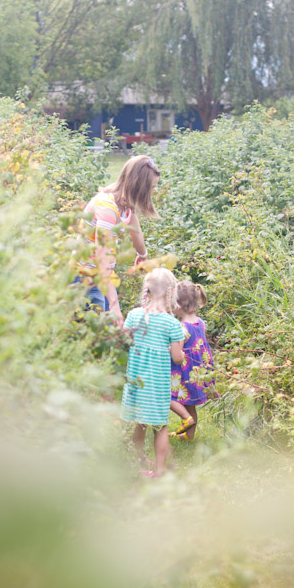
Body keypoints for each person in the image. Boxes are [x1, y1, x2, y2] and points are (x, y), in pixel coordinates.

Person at [77, 155, 160, 325]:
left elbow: (135, 231)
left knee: (109, 329)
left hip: (102, 274)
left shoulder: (125, 201)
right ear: (139, 186)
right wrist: (114, 306)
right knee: (100, 331)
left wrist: (142, 255)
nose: (152, 192)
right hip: (85, 275)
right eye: (151, 187)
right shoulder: (107, 208)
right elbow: (102, 259)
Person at [121, 268, 185, 477]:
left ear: (146, 290)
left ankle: (138, 462)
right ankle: (158, 471)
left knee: (140, 423)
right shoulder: (172, 324)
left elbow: (125, 341)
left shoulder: (133, 315)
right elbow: (177, 357)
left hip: (136, 382)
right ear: (171, 292)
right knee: (161, 427)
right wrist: (180, 353)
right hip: (157, 385)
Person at [169, 281, 214, 442]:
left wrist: (165, 347)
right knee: (190, 404)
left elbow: (177, 351)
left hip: (184, 371)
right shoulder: (200, 322)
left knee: (167, 396)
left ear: (179, 305)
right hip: (197, 370)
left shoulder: (181, 327)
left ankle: (186, 418)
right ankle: (189, 436)